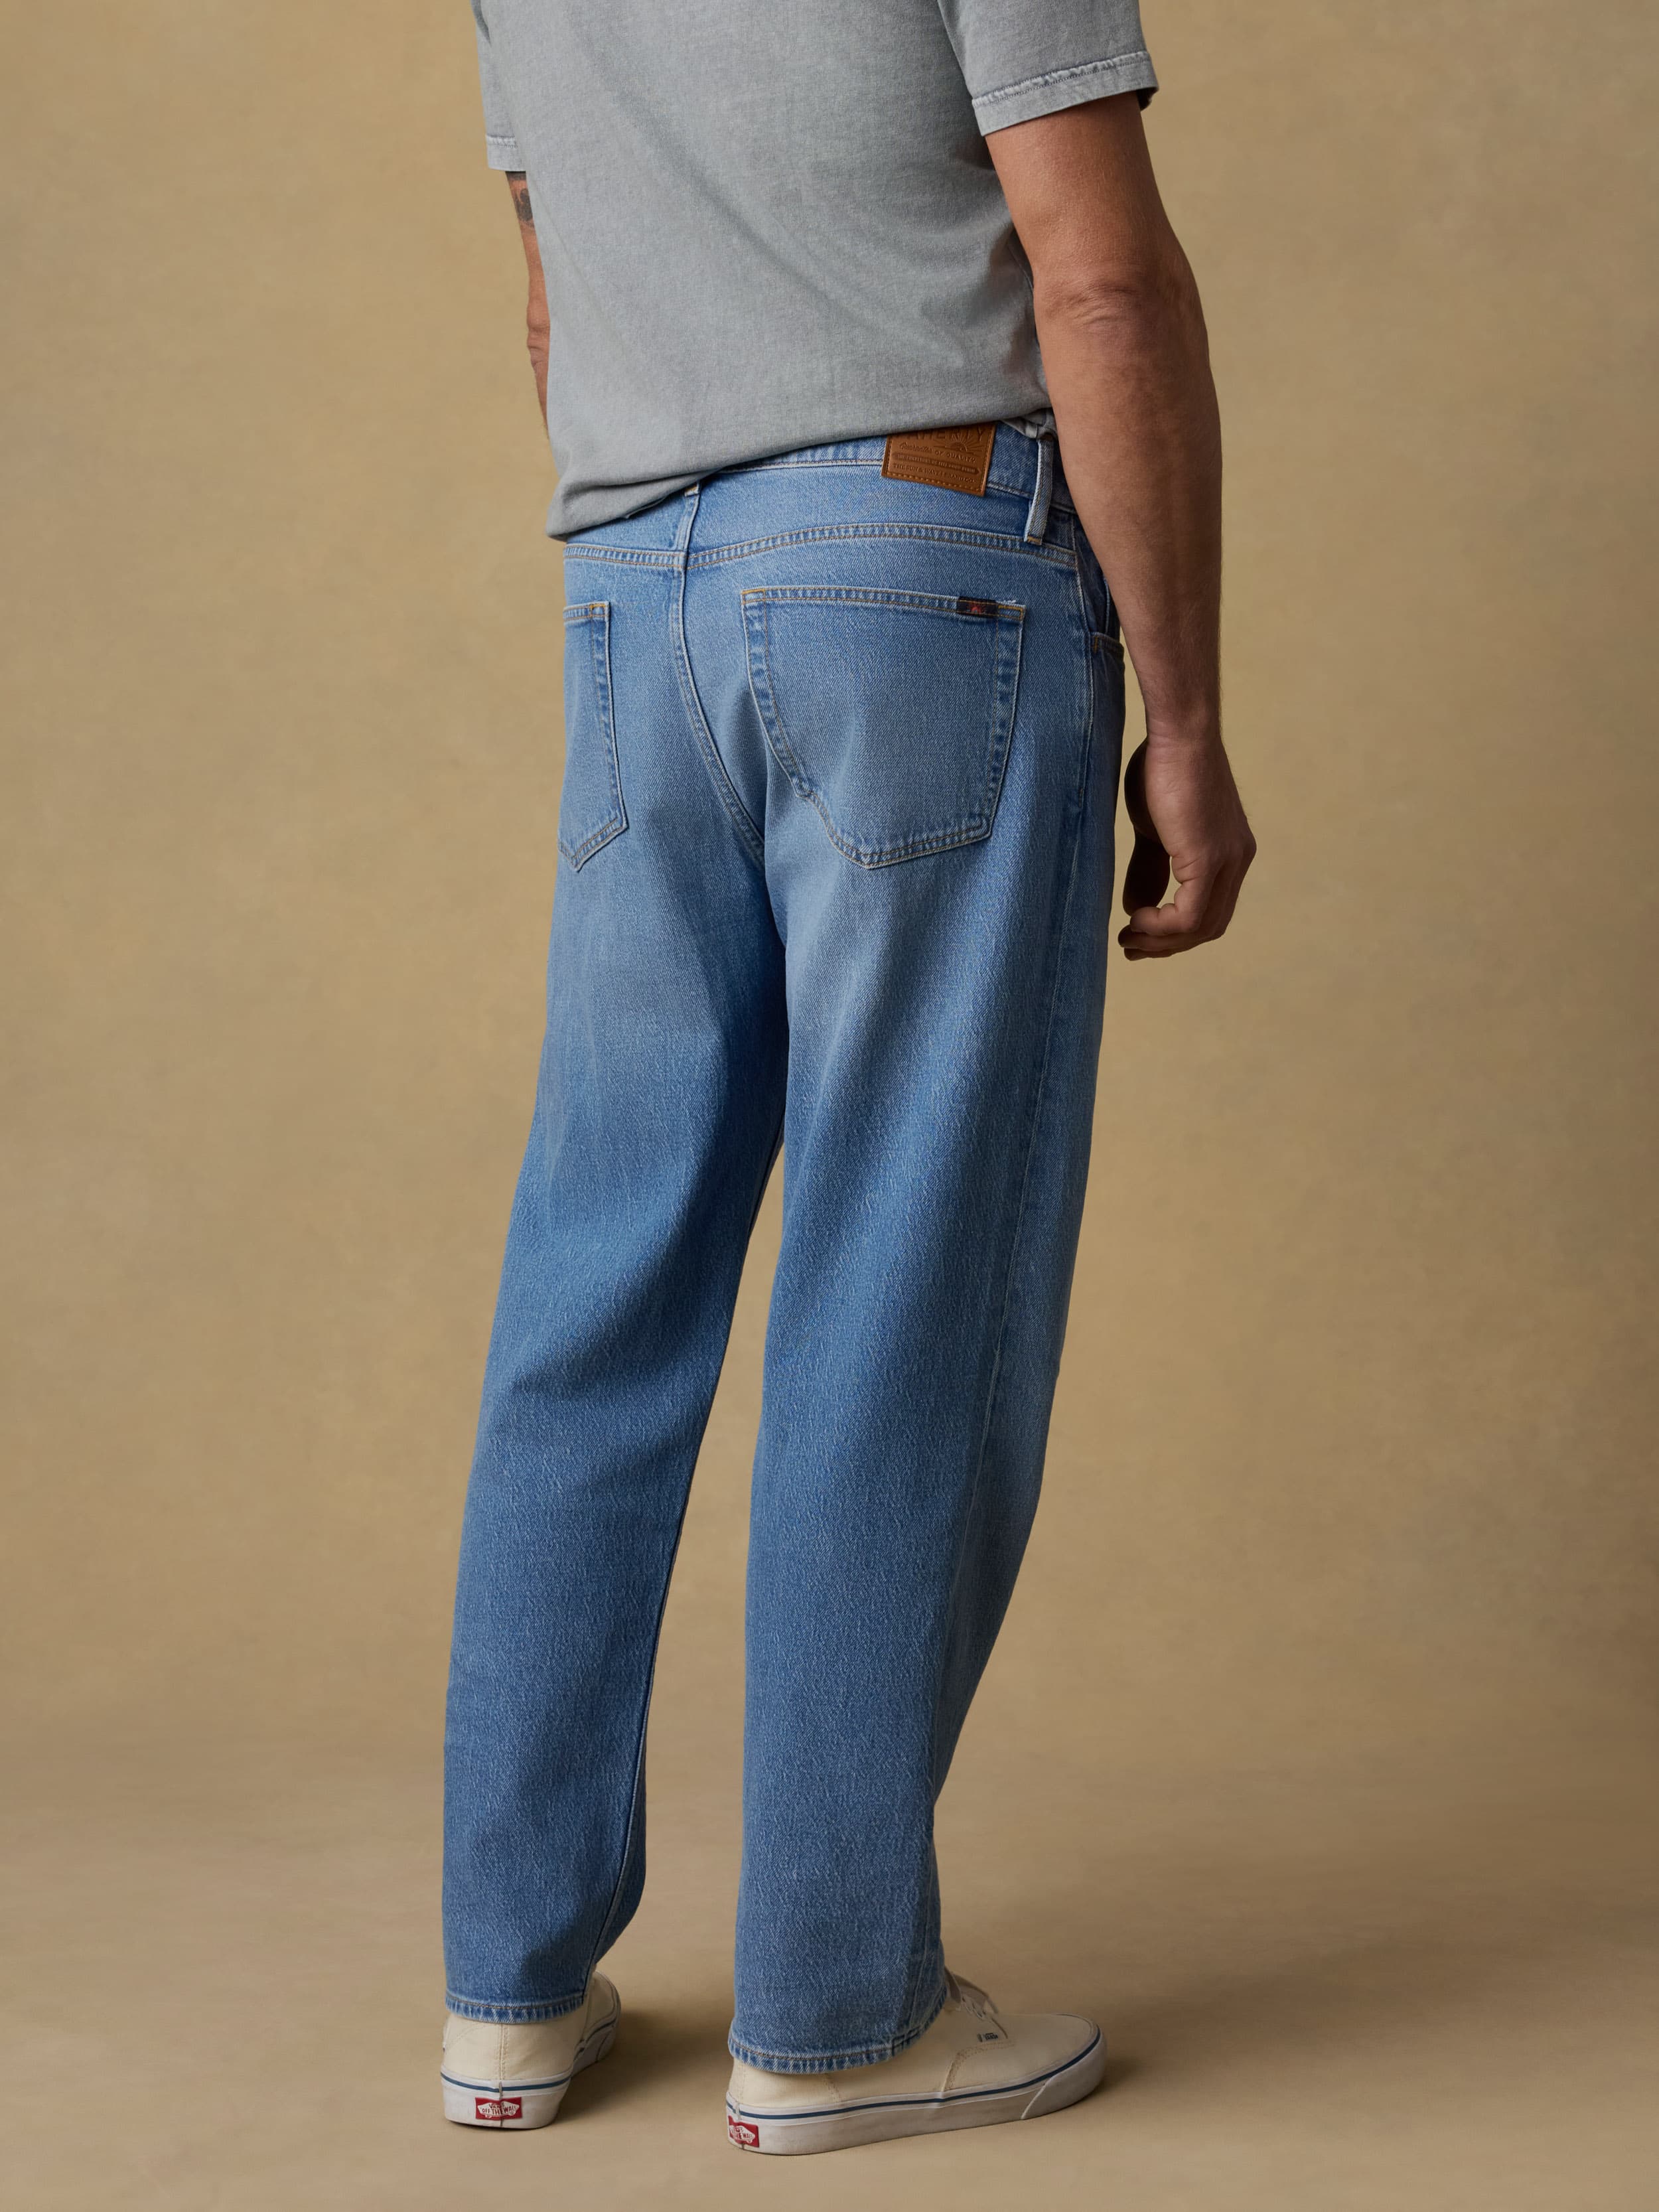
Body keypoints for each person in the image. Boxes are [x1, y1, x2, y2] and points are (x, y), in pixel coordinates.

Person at [440, 0, 1255, 2159]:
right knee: (898, 1287)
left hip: (631, 587)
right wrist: (1179, 712)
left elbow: (559, 284)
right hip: (922, 571)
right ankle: (835, 2008)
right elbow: (1090, 272)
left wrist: (674, 567)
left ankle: (509, 1994)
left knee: (592, 1300)